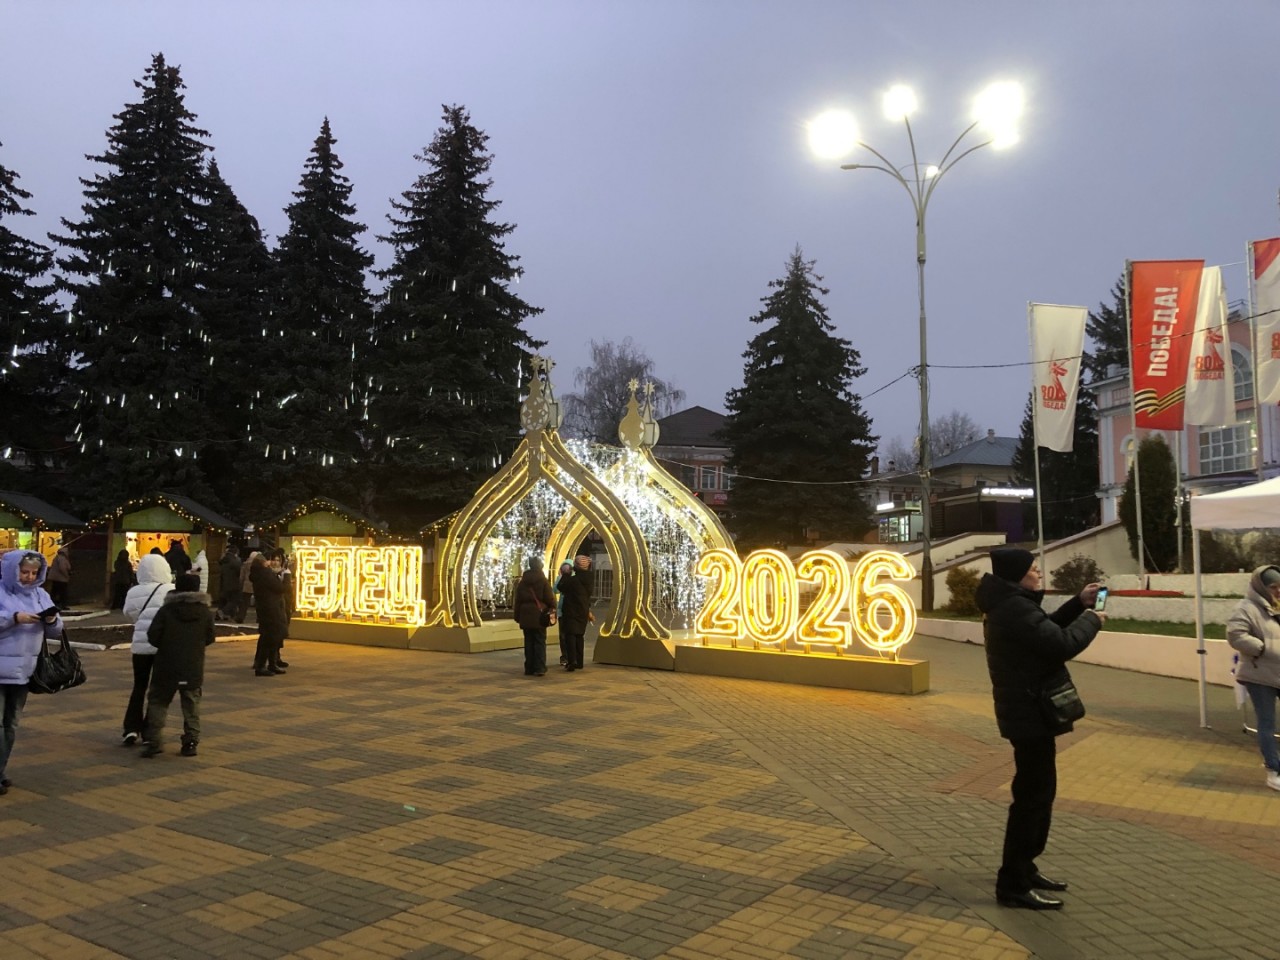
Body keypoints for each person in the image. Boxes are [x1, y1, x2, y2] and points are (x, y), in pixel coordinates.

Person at [976, 547, 1104, 911]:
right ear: (1018, 575)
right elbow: (1061, 644)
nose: (1039, 574)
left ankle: (1025, 867)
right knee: (1032, 799)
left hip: (1030, 712)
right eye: (1034, 569)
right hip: (1029, 713)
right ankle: (1013, 884)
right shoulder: (1014, 608)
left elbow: (1044, 629)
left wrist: (1078, 604)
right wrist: (1092, 619)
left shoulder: (1011, 604)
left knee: (1038, 794)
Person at [0, 550, 63, 795]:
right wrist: (14, 618)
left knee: (11, 724)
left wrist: (51, 621)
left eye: (34, 573)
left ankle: (1, 770)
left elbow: (56, 630)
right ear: (12, 570)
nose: (29, 577)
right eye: (24, 572)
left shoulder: (40, 595)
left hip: (24, 672)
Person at [140, 572, 214, 758]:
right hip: (193, 665)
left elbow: (153, 635)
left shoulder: (166, 610)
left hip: (166, 664)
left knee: (158, 702)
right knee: (191, 705)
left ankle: (154, 741)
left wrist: (167, 645)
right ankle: (191, 742)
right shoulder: (204, 612)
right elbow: (210, 637)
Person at [1226, 565, 1280, 793]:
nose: (1278, 591)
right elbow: (1235, 635)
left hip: (1277, 672)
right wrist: (1262, 648)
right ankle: (1273, 771)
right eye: (1274, 587)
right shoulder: (1245, 608)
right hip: (1259, 676)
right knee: (1267, 723)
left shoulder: (1276, 605)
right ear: (1261, 587)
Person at [121, 553, 175, 746]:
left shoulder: (134, 592)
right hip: (163, 647)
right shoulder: (171, 590)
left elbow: (128, 614)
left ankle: (131, 728)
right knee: (157, 689)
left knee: (139, 686)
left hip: (140, 647)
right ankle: (150, 731)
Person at [513, 557, 555, 676]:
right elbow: (549, 598)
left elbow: (518, 601)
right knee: (540, 641)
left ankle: (529, 667)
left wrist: (517, 616)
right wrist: (552, 608)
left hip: (525, 615)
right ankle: (540, 667)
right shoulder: (543, 581)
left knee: (528, 641)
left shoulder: (523, 582)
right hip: (539, 615)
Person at [249, 551, 289, 676]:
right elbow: (280, 588)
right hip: (272, 609)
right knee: (271, 637)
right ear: (263, 562)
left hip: (265, 608)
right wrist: (286, 577)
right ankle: (264, 665)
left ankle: (270, 663)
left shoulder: (257, 573)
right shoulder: (265, 573)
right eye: (269, 560)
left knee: (269, 636)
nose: (271, 562)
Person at [556, 555, 594, 672]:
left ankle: (572, 661)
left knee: (570, 635)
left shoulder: (573, 580)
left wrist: (566, 574)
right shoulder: (589, 579)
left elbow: (561, 587)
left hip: (571, 611)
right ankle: (579, 661)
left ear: (577, 566)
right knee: (579, 636)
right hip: (583, 610)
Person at [554, 560, 573, 666]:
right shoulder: (561, 580)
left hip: (569, 612)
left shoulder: (574, 580)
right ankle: (565, 656)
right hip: (562, 611)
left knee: (567, 635)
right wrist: (559, 578)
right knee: (563, 635)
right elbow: (555, 590)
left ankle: (569, 656)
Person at [218, 546, 242, 620]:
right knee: (234, 600)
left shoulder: (224, 560)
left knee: (224, 600)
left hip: (224, 583)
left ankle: (227, 615)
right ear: (235, 553)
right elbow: (239, 572)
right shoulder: (235, 561)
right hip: (234, 584)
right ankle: (222, 612)